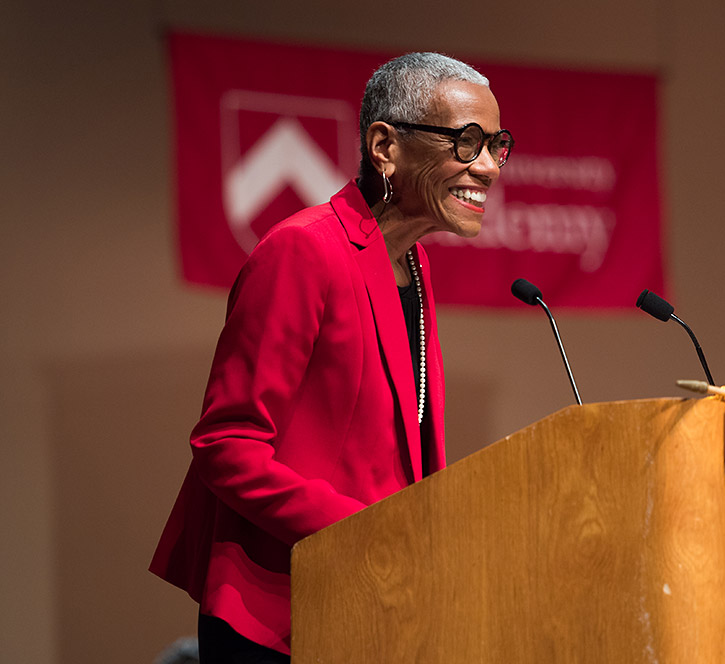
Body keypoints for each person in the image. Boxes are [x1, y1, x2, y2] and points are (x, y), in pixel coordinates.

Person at [150, 52, 514, 663]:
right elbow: (226, 444)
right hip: (282, 617)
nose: (487, 166)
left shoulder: (413, 266)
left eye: (497, 144)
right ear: (384, 146)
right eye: (466, 140)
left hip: (375, 608)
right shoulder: (304, 251)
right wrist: (364, 531)